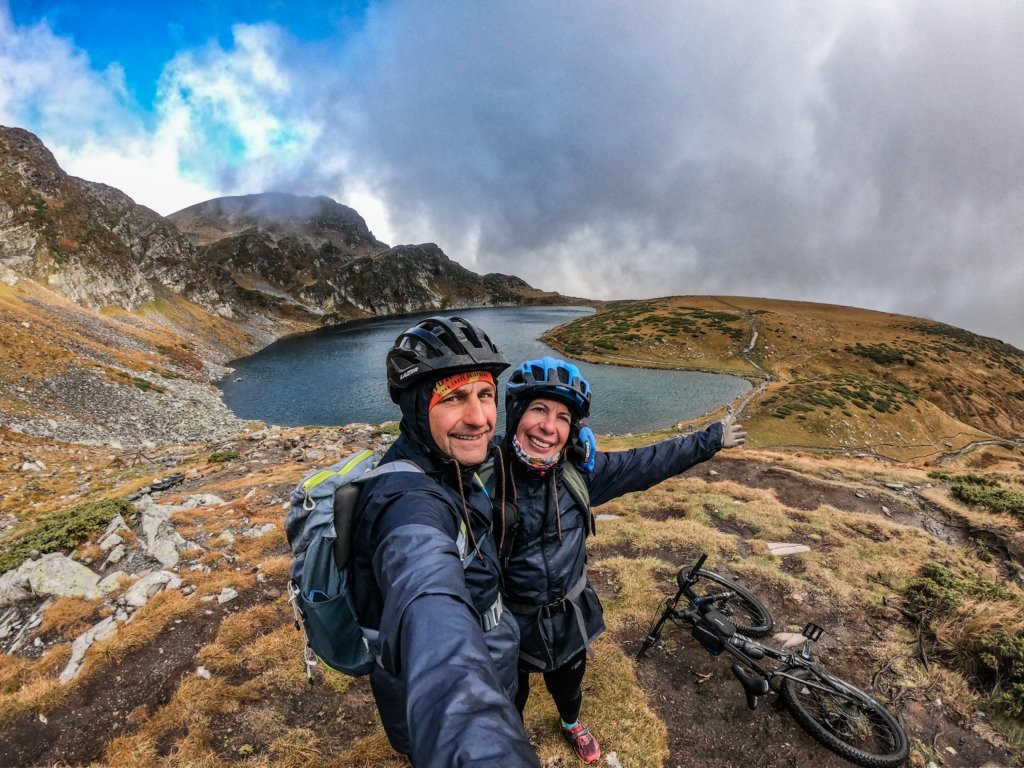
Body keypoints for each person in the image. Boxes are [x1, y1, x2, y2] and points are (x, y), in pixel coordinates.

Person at [494, 356, 746, 764]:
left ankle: (571, 723)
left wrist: (711, 439)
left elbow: (648, 462)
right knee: (509, 694)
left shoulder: (581, 473)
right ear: (516, 413)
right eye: (539, 409)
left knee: (569, 684)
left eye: (563, 418)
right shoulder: (482, 474)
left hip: (567, 618)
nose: (548, 427)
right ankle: (510, 738)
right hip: (507, 622)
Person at [351, 316, 540, 767]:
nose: (479, 419)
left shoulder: (450, 462)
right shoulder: (406, 500)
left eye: (485, 394)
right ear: (417, 407)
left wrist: (567, 443)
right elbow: (427, 592)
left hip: (494, 650)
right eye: (454, 397)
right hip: (435, 680)